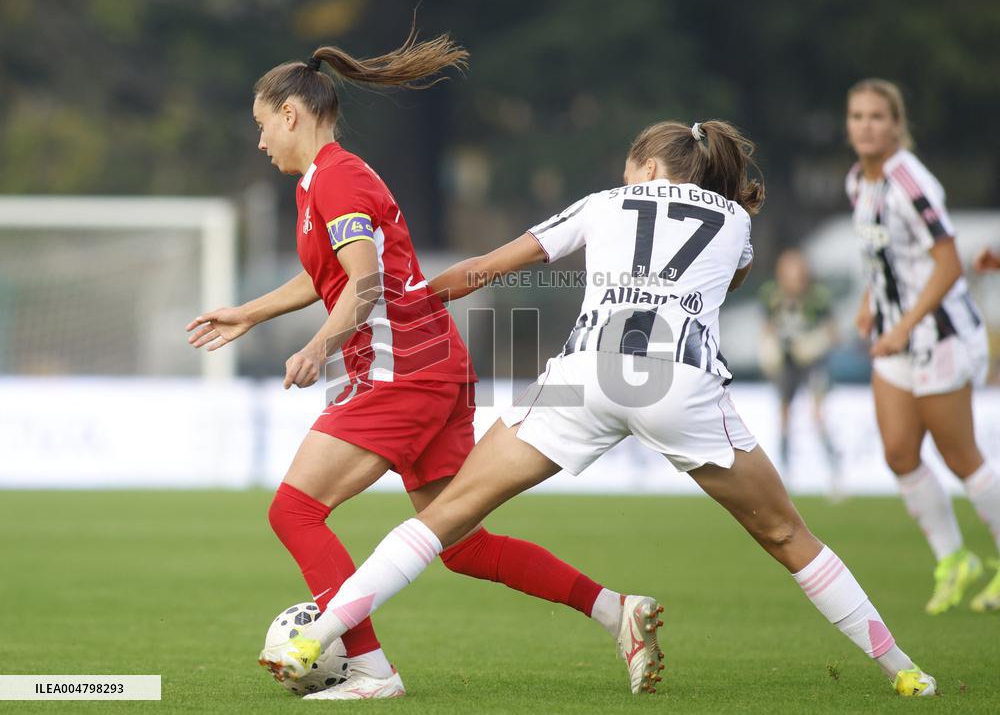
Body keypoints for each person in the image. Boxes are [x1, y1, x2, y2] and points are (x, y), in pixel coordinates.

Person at [263, 120, 938, 697]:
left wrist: (420, 298)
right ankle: (904, 671)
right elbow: (726, 280)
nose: (625, 178)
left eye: (629, 169)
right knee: (787, 534)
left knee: (445, 518)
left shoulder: (604, 204)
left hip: (585, 375)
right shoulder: (737, 221)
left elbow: (485, 269)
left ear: (648, 169)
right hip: (679, 382)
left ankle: (319, 638)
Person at [187, 25, 658, 700]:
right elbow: (329, 276)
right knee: (460, 544)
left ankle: (371, 670)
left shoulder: (338, 180)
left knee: (294, 511)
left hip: (401, 371)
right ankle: (617, 611)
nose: (260, 142)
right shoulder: (324, 182)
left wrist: (319, 345)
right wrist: (249, 313)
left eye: (262, 125)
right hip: (433, 366)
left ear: (290, 114)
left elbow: (365, 283)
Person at [845, 78, 1000, 615]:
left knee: (960, 456)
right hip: (895, 340)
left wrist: (904, 327)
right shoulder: (857, 182)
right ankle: (955, 559)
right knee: (899, 453)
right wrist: (869, 302)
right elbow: (884, 259)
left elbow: (948, 263)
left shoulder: (910, 182)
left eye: (877, 116)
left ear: (896, 124)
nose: (866, 126)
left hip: (939, 336)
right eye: (857, 116)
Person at [758, 248, 840, 486]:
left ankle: (834, 470)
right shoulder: (771, 295)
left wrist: (814, 343)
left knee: (817, 414)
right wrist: (768, 349)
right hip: (787, 360)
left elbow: (833, 333)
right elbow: (767, 328)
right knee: (784, 412)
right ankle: (785, 471)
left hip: (812, 361)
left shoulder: (817, 297)